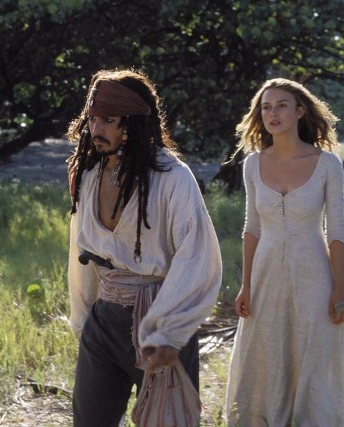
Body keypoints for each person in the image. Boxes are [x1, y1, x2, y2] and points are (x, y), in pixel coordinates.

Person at [66, 69, 222, 427]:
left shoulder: (172, 177)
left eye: (108, 120)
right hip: (104, 320)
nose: (96, 129)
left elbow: (197, 259)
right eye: (92, 119)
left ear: (134, 123)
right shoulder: (88, 174)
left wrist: (169, 331)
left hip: (159, 319)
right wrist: (84, 318)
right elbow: (82, 254)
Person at [225, 78, 344, 426]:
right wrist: (246, 284)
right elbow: (252, 228)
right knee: (266, 348)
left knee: (312, 350)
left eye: (282, 105)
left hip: (314, 274)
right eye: (266, 107)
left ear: (299, 111)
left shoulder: (327, 164)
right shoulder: (252, 164)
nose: (273, 113)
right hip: (265, 272)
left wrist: (340, 289)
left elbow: (337, 232)